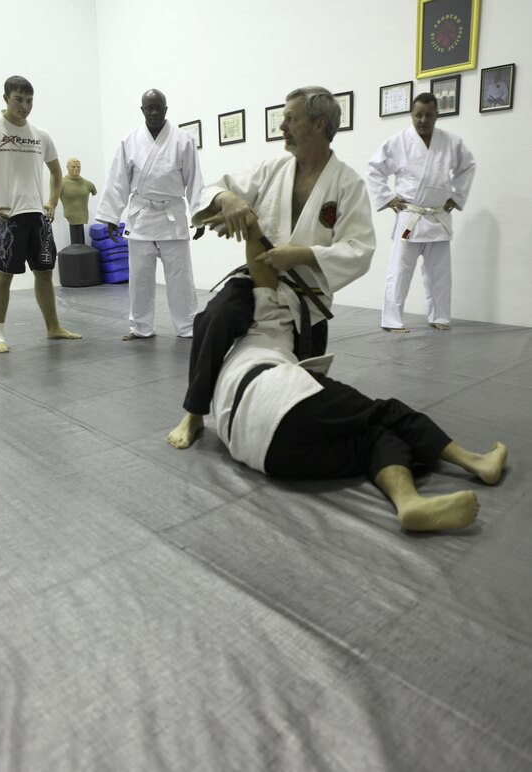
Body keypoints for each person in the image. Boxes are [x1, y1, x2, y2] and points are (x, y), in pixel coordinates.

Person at [202, 221, 507, 534]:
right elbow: (259, 262)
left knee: (374, 440)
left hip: (255, 451)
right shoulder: (266, 314)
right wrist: (249, 221)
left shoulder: (236, 352)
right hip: (268, 390)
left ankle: (410, 503)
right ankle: (475, 461)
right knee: (386, 412)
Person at [168, 86, 376, 448]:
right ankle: (195, 413)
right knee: (213, 318)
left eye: (291, 119)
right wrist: (229, 199)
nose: (282, 126)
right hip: (258, 278)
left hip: (306, 299)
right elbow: (213, 189)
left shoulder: (348, 184)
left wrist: (303, 254)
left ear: (318, 124)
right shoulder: (274, 169)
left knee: (303, 386)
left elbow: (360, 249)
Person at [95, 89, 204, 340]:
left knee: (180, 277)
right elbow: (118, 181)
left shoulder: (183, 140)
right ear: (142, 110)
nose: (154, 112)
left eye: (158, 107)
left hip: (172, 216)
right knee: (140, 278)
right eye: (149, 107)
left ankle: (187, 326)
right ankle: (141, 327)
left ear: (166, 109)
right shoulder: (129, 141)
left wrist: (199, 214)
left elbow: (195, 179)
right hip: (141, 217)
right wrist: (112, 216)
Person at [0, 75, 82, 353]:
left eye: (29, 101)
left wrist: (51, 201)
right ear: (6, 99)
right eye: (18, 100)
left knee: (44, 273)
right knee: (3, 276)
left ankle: (53, 328)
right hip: (6, 217)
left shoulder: (41, 135)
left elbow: (55, 171)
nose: (24, 106)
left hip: (37, 217)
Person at [367, 92, 476, 333]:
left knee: (440, 273)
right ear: (412, 115)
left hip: (438, 218)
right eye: (418, 115)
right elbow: (375, 169)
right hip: (410, 219)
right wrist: (386, 197)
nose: (423, 120)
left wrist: (456, 196)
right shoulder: (399, 141)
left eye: (428, 115)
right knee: (400, 270)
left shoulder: (451, 142)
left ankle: (440, 316)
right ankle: (392, 320)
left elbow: (468, 167)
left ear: (437, 115)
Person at [60, 158, 97, 242]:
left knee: (80, 244)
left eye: (78, 167)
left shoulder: (88, 184)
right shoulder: (61, 184)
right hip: (70, 216)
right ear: (67, 167)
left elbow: (94, 191)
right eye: (73, 167)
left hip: (83, 216)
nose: (76, 169)